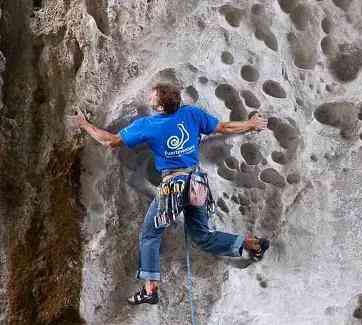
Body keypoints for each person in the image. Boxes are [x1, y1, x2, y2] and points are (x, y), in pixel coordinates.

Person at [70, 83, 269, 305]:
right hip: (196, 182)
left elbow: (110, 141)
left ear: (161, 107)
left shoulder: (150, 125)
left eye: (153, 96)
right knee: (203, 236)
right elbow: (223, 127)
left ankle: (149, 289)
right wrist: (250, 124)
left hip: (174, 186)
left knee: (150, 235)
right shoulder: (191, 114)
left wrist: (84, 124)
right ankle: (253, 245)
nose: (149, 96)